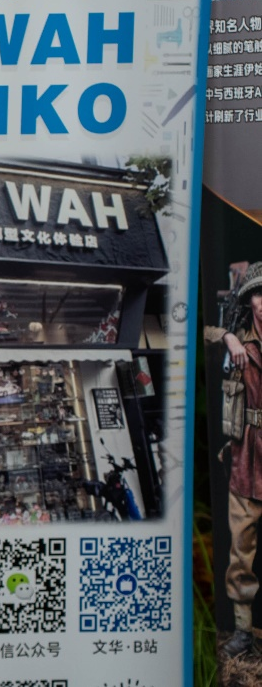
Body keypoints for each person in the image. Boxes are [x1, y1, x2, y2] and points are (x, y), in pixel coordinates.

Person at [206, 261, 262, 658]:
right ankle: (243, 630)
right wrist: (228, 337)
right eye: (258, 294)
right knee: (241, 549)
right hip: (247, 457)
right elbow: (200, 331)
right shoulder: (239, 339)